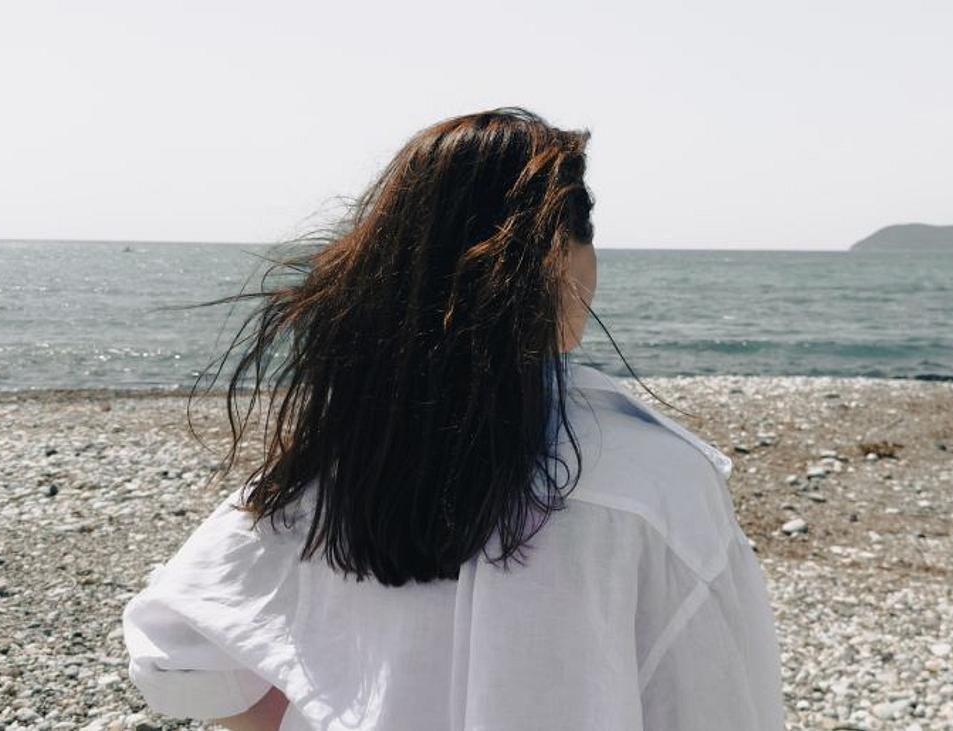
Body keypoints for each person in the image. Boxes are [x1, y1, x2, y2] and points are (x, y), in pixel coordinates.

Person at [120, 107, 785, 730]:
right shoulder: (653, 484)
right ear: (557, 252)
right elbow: (723, 704)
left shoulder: (346, 455)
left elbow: (176, 650)